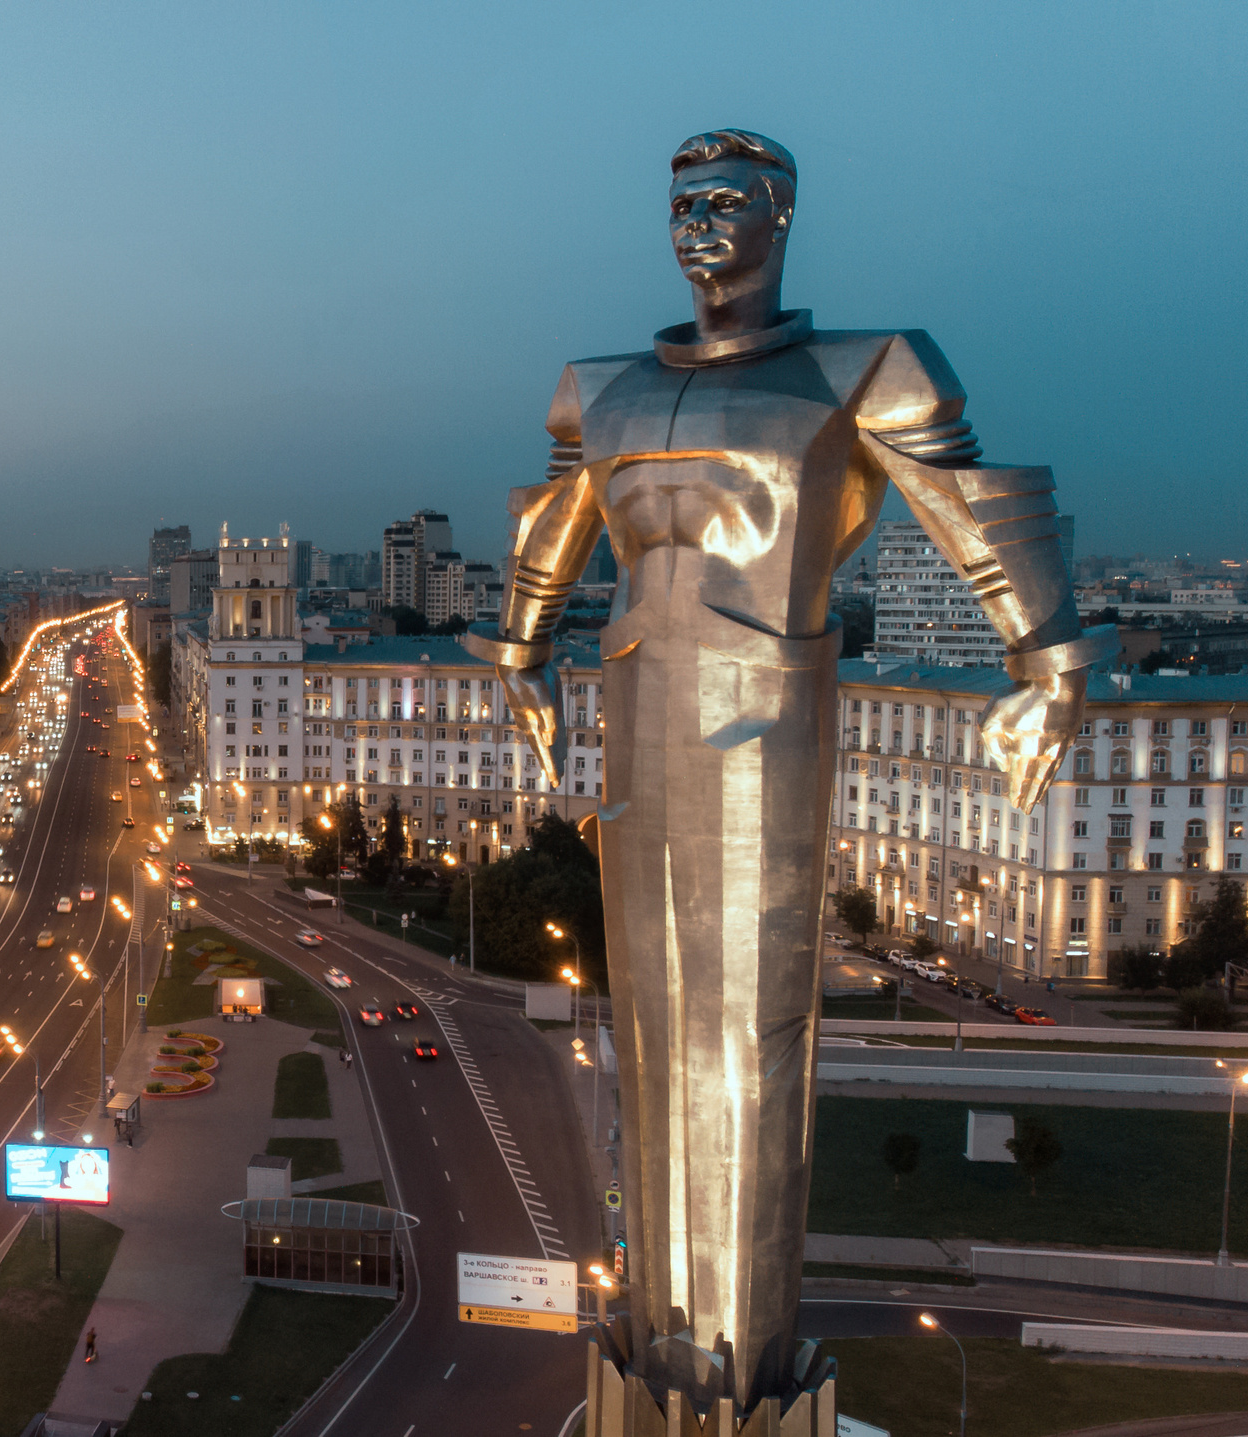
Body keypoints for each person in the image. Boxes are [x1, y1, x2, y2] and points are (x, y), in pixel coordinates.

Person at [473, 128, 1104, 1409]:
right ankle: (652, 1373)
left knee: (753, 1042)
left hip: (767, 720)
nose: (697, 221)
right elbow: (555, 518)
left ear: (782, 217)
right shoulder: (597, 389)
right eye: (681, 202)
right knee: (649, 1033)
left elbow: (975, 502)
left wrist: (1051, 662)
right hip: (637, 711)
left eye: (726, 202)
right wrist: (519, 649)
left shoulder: (860, 373)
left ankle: (736, 1384)